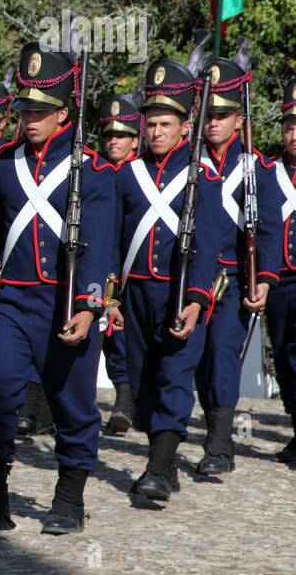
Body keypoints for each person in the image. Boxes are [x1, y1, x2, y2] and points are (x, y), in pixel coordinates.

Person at [0, 41, 116, 534]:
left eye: (41, 110)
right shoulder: (4, 163)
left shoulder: (93, 169)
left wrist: (91, 307)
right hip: (12, 301)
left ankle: (68, 500)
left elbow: (103, 245)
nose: (29, 119)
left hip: (67, 302)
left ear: (64, 112)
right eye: (25, 108)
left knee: (73, 406)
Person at [107, 55, 226, 503]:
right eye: (151, 124)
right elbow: (113, 241)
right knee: (145, 381)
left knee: (176, 375)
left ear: (183, 126)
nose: (156, 133)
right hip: (135, 289)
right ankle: (165, 457)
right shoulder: (125, 176)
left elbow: (209, 243)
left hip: (179, 291)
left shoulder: (202, 177)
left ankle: (157, 466)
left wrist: (196, 299)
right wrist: (111, 296)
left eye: (165, 124)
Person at [192, 55, 279, 475]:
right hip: (192, 275)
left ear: (238, 120)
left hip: (232, 277)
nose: (214, 122)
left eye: (223, 115)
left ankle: (220, 445)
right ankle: (211, 426)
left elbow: (269, 230)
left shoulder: (257, 167)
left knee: (223, 353)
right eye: (208, 114)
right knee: (197, 357)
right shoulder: (187, 165)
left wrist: (263, 278)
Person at [96, 92, 141, 435]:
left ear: (135, 140)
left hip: (130, 266)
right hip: (97, 263)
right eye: (109, 135)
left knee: (120, 336)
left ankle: (125, 401)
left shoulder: (138, 175)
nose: (113, 141)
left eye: (121, 135)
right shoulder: (96, 171)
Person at [265, 78, 296, 463]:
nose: (294, 134)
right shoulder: (269, 171)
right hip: (278, 278)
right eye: (289, 126)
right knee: (284, 360)